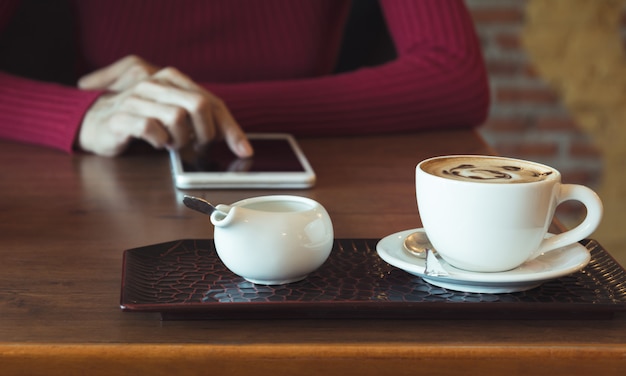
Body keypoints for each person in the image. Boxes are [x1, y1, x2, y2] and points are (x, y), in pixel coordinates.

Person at [0, 0, 489, 158]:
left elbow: (454, 73)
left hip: (297, 192)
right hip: (92, 190)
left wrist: (192, 108)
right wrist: (84, 112)